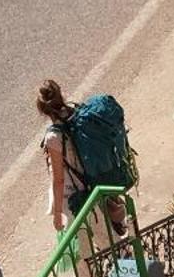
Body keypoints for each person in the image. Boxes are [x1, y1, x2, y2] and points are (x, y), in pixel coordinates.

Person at [36, 80, 126, 258]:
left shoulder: (54, 137)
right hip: (93, 181)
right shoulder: (77, 113)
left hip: (75, 195)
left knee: (85, 239)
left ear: (42, 110)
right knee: (99, 234)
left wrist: (56, 214)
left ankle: (118, 271)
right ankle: (121, 266)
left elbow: (59, 178)